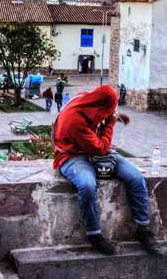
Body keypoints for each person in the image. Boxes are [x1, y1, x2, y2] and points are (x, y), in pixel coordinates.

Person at [53, 85, 156, 255]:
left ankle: (143, 229)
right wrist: (110, 124)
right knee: (86, 185)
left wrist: (115, 117)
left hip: (95, 151)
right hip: (73, 155)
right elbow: (100, 147)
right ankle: (95, 235)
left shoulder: (91, 101)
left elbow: (101, 119)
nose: (112, 111)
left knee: (136, 177)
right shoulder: (75, 120)